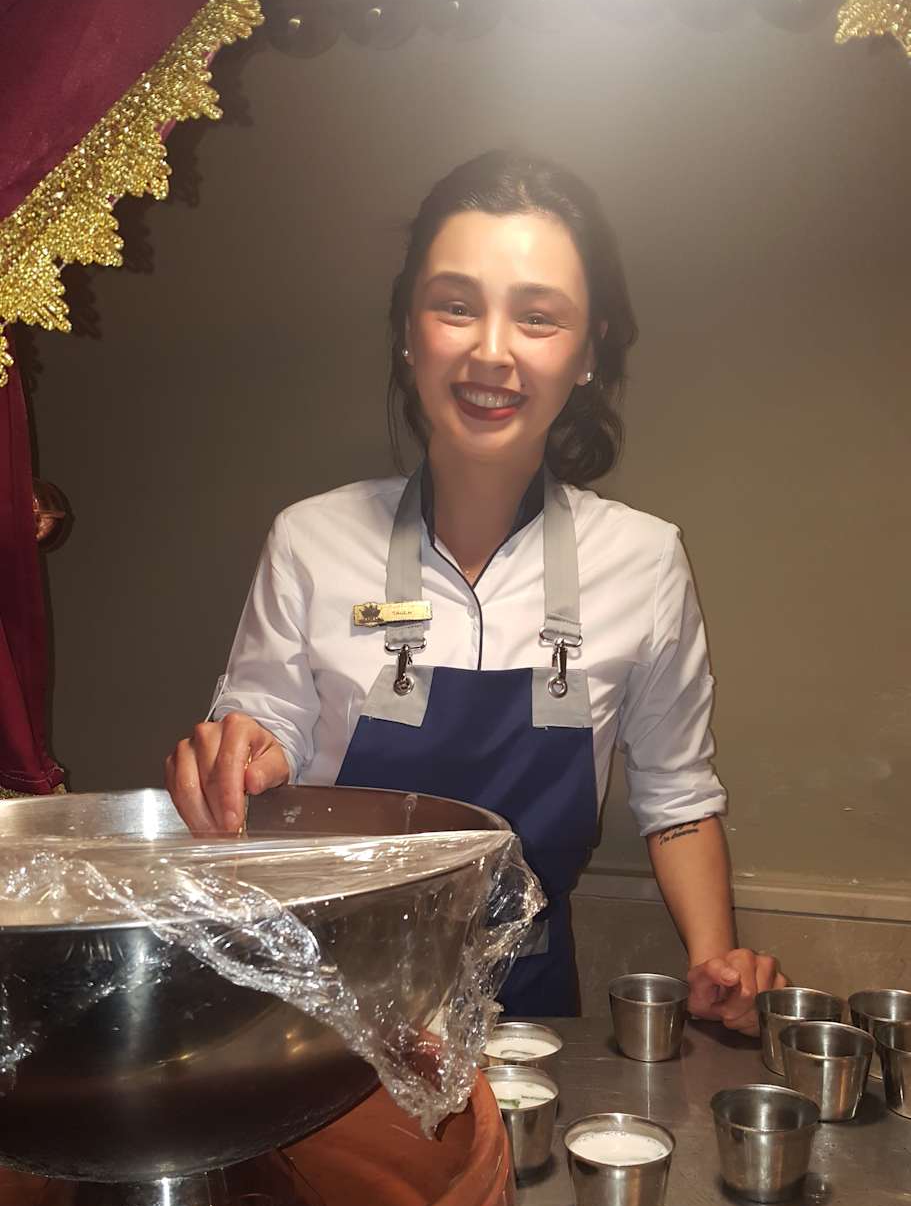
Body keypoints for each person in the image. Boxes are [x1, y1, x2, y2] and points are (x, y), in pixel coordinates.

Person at [166, 150, 786, 1031]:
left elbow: (677, 798)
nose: (491, 352)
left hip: (527, 1015)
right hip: (325, 1008)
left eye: (537, 317)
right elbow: (267, 732)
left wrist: (713, 961)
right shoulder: (309, 540)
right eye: (455, 306)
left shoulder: (644, 560)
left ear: (587, 352)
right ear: (407, 331)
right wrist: (238, 761)